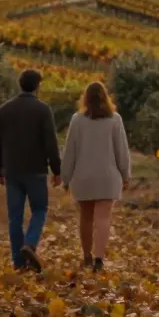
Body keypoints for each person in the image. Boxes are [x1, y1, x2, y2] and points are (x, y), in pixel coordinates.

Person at [0, 68, 61, 272]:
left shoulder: (4, 110)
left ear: (20, 84)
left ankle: (18, 262)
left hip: (12, 171)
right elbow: (51, 142)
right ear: (38, 86)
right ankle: (30, 244)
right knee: (39, 210)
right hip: (36, 170)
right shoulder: (43, 110)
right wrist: (57, 169)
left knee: (15, 216)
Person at [60, 81, 131, 272]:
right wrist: (125, 174)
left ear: (85, 98)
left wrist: (65, 177)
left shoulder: (77, 120)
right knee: (103, 218)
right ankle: (99, 259)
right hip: (108, 177)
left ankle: (86, 256)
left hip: (83, 178)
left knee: (86, 217)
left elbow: (70, 152)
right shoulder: (115, 119)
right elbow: (121, 151)